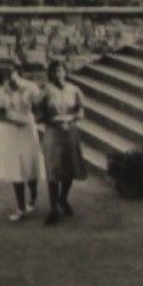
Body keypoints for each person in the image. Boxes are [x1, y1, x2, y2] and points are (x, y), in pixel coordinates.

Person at [0, 64, 45, 222]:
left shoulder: (30, 87)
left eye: (10, 74)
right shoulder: (2, 90)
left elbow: (41, 106)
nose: (8, 78)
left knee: (30, 164)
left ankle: (33, 197)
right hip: (12, 131)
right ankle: (20, 207)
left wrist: (37, 118)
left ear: (16, 72)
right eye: (4, 75)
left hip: (28, 128)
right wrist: (10, 120)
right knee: (15, 166)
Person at [38, 59, 88, 224]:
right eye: (54, 72)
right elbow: (38, 114)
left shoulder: (74, 90)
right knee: (53, 169)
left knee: (70, 168)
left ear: (65, 72)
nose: (58, 74)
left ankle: (62, 198)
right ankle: (53, 209)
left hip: (70, 132)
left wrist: (71, 118)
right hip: (53, 133)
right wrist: (51, 120)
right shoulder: (45, 91)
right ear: (50, 74)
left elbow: (81, 111)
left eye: (60, 71)